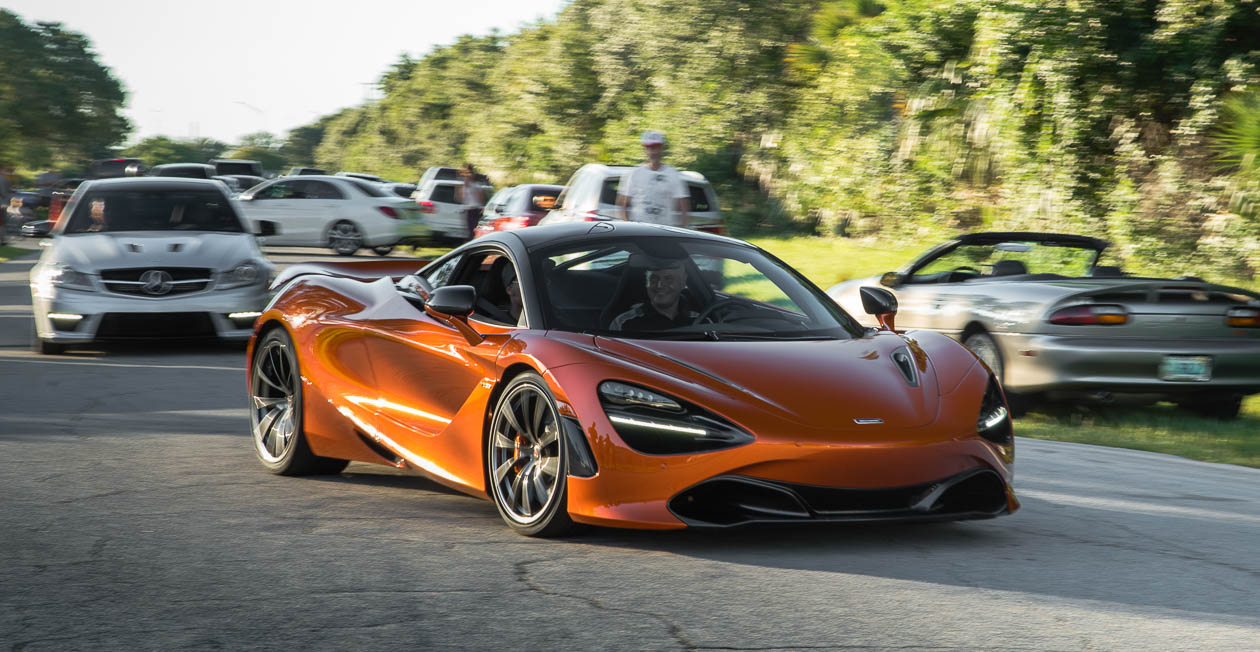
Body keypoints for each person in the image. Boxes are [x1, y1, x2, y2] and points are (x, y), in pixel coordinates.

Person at [616, 131, 689, 228]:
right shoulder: (634, 174)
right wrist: (627, 227)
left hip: (665, 231)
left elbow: (684, 206)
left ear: (662, 149)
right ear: (645, 149)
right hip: (639, 230)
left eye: (657, 148)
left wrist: (683, 229)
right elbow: (622, 204)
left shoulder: (673, 175)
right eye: (651, 148)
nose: (654, 152)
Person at [610, 257, 699, 331]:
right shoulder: (623, 324)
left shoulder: (700, 321)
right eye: (653, 279)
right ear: (646, 282)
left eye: (669, 279)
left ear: (683, 282)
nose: (660, 285)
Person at [457, 163, 485, 242]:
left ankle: (475, 243)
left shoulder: (476, 185)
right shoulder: (465, 186)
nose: (468, 175)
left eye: (469, 173)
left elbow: (481, 198)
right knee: (470, 230)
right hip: (469, 209)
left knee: (474, 230)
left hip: (476, 209)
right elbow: (461, 198)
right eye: (467, 174)